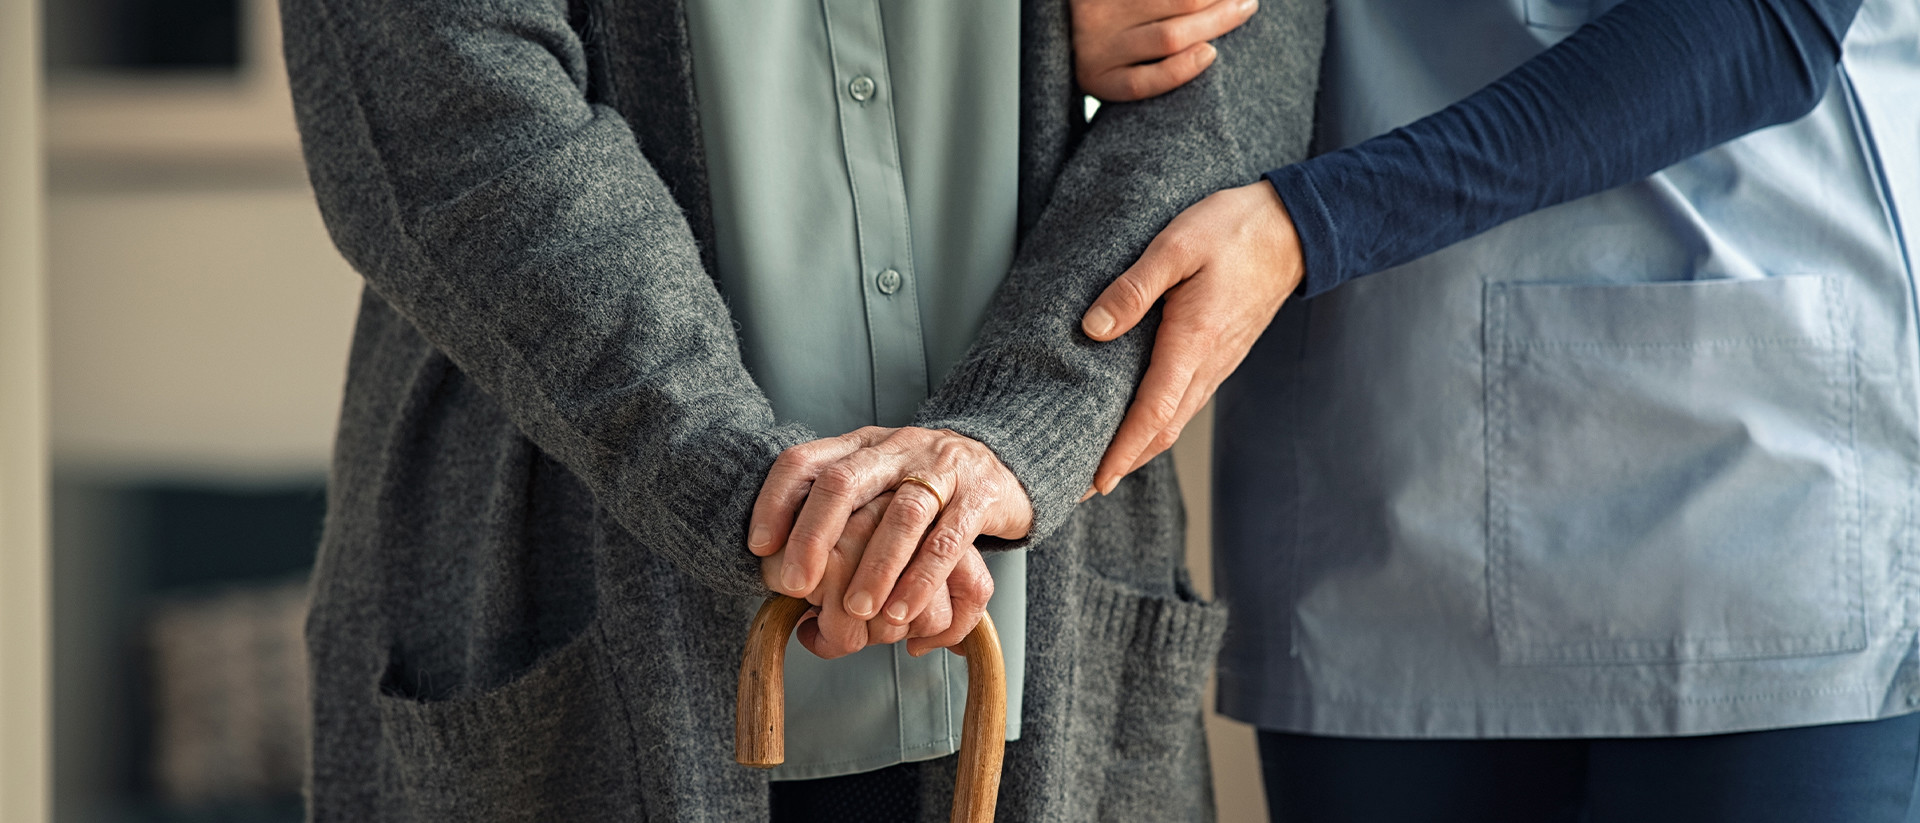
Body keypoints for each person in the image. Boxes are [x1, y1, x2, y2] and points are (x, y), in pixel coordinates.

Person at [278, 0, 1315, 820]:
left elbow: (1235, 66)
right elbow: (456, 113)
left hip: (1045, 619)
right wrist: (758, 488)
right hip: (574, 608)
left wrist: (1019, 429)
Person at [1073, 0, 1920, 819]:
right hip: (1376, 476)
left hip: (1746, 496)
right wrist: (1052, 33)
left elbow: (1761, 23)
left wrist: (1317, 223)